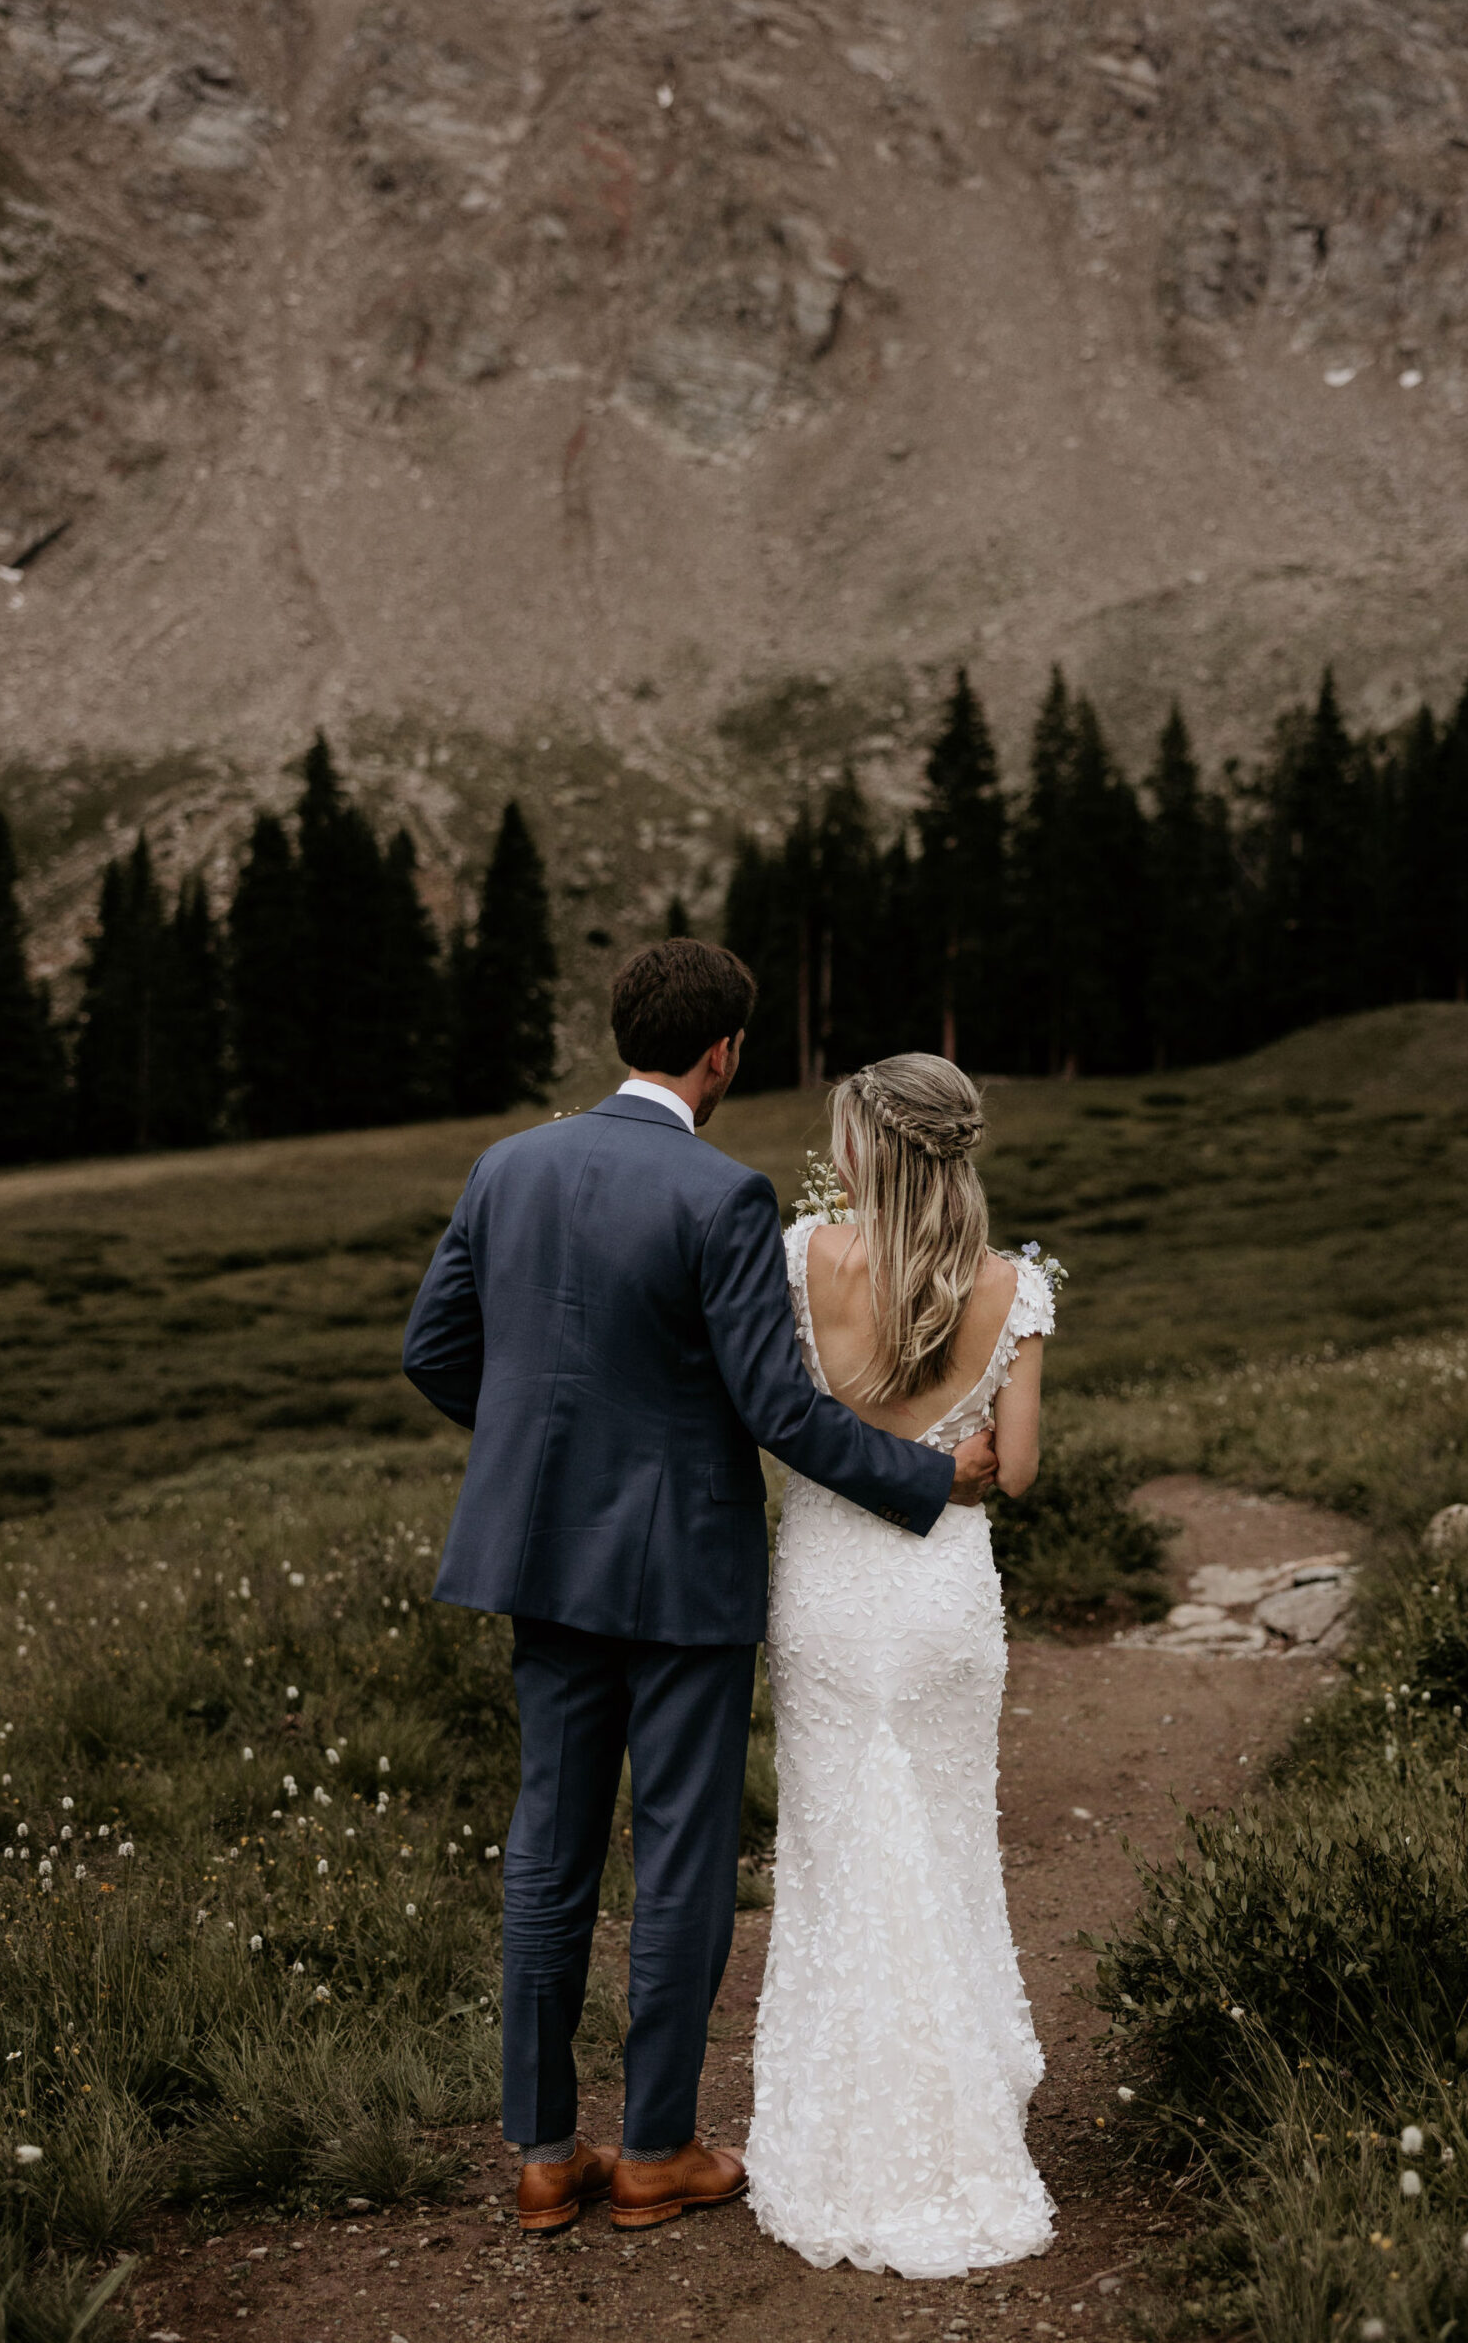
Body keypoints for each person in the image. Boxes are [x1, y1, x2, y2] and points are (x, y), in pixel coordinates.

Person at [401, 943, 999, 2235]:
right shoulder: (718, 1197)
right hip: (683, 1576)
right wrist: (921, 1477)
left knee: (548, 1853)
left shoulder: (505, 1168)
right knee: (678, 1858)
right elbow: (776, 1406)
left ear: (624, 1033)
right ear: (720, 1052)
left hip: (540, 1567)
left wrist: (535, 1455)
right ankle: (656, 2149)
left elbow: (433, 1349)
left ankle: (546, 2157)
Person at [746, 1052, 1055, 2279]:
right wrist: (959, 1446)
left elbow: (776, 1412)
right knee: (946, 1837)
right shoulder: (1012, 1284)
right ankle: (963, 2094)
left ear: (869, 1148)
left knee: (832, 1847)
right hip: (941, 1595)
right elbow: (1016, 1472)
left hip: (827, 1587)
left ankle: (845, 2117)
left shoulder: (804, 1258)